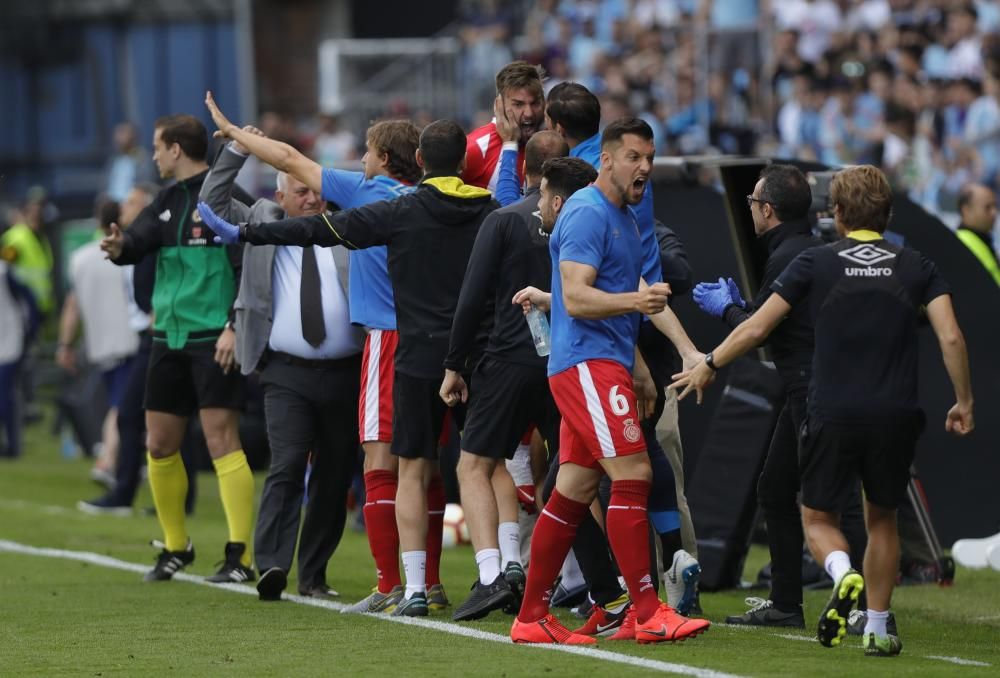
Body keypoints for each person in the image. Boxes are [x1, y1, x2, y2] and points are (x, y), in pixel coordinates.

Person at [198, 119, 498, 617]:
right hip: (458, 345)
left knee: (384, 466)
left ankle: (391, 583)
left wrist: (235, 132)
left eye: (367, 150)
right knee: (446, 465)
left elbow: (290, 159)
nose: (359, 158)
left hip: (391, 339)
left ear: (386, 158)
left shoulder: (371, 193)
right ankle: (453, 578)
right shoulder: (463, 202)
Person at [673, 165, 974, 657]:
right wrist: (964, 401)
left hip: (829, 404)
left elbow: (755, 331)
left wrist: (709, 361)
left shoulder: (815, 262)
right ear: (889, 212)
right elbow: (951, 336)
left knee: (818, 516)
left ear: (835, 213)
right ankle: (875, 623)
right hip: (895, 410)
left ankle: (842, 574)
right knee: (881, 520)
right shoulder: (915, 264)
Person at [509, 118, 710, 645]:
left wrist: (668, 357)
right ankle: (646, 612)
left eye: (649, 157)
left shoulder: (625, 218)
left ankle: (531, 618)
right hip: (585, 365)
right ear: (607, 160)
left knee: (572, 490)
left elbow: (634, 288)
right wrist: (634, 305)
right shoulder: (586, 212)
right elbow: (577, 297)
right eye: (634, 157)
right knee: (636, 472)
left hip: (606, 363)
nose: (644, 167)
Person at [693, 164, 866, 628]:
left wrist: (727, 313)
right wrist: (742, 310)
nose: (750, 208)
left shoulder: (790, 254)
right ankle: (788, 602)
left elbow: (759, 333)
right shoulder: (809, 249)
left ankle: (860, 603)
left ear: (767, 210)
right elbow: (775, 319)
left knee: (832, 501)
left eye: (752, 202)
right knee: (776, 487)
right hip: (819, 387)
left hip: (812, 390)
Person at [200, 124, 365, 601]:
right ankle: (272, 564)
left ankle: (314, 575)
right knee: (288, 464)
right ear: (280, 195)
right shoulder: (262, 221)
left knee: (335, 474)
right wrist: (236, 148)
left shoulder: (347, 227)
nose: (312, 200)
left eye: (316, 190)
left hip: (345, 370)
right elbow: (211, 202)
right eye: (301, 191)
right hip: (286, 371)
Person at [100, 114, 255, 584]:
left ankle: (240, 556)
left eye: (156, 147)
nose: (152, 155)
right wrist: (119, 244)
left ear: (175, 150)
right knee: (160, 444)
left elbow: (250, 265)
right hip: (167, 338)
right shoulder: (164, 202)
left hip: (215, 339)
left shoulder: (228, 199)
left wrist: (234, 324)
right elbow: (137, 243)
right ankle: (174, 546)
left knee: (219, 440)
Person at [441, 135, 578, 622]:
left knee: (475, 464)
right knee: (574, 470)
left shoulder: (503, 220)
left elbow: (472, 296)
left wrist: (454, 365)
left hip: (508, 362)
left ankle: (491, 575)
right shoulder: (585, 222)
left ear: (527, 169)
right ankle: (590, 583)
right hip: (568, 362)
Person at [78, 183, 195, 515]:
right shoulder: (132, 244)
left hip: (159, 335)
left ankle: (126, 493)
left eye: (132, 203)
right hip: (147, 336)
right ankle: (174, 499)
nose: (124, 208)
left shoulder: (155, 244)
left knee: (134, 416)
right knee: (166, 418)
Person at [56, 197, 140, 487]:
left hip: (99, 343)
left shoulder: (79, 258)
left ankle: (127, 461)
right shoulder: (129, 254)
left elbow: (72, 306)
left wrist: (65, 345)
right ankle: (108, 460)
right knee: (121, 406)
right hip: (130, 340)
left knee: (118, 404)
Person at [464, 61, 545, 191]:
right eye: (518, 104)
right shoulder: (476, 148)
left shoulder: (553, 145)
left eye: (535, 103)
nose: (529, 113)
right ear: (499, 105)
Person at [0, 260, 39, 459]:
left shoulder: (4, 271)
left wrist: (30, 331)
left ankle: (13, 445)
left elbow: (29, 299)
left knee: (5, 395)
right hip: (9, 341)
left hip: (8, 342)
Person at [955, 183, 1000, 285]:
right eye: (987, 207)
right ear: (966, 210)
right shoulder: (961, 244)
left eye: (995, 206)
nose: (994, 212)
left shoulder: (982, 238)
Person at [106, 122, 156, 203]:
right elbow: (105, 188)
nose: (117, 138)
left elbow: (146, 187)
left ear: (133, 136)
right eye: (116, 134)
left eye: (122, 133)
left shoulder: (143, 159)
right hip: (112, 207)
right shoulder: (113, 161)